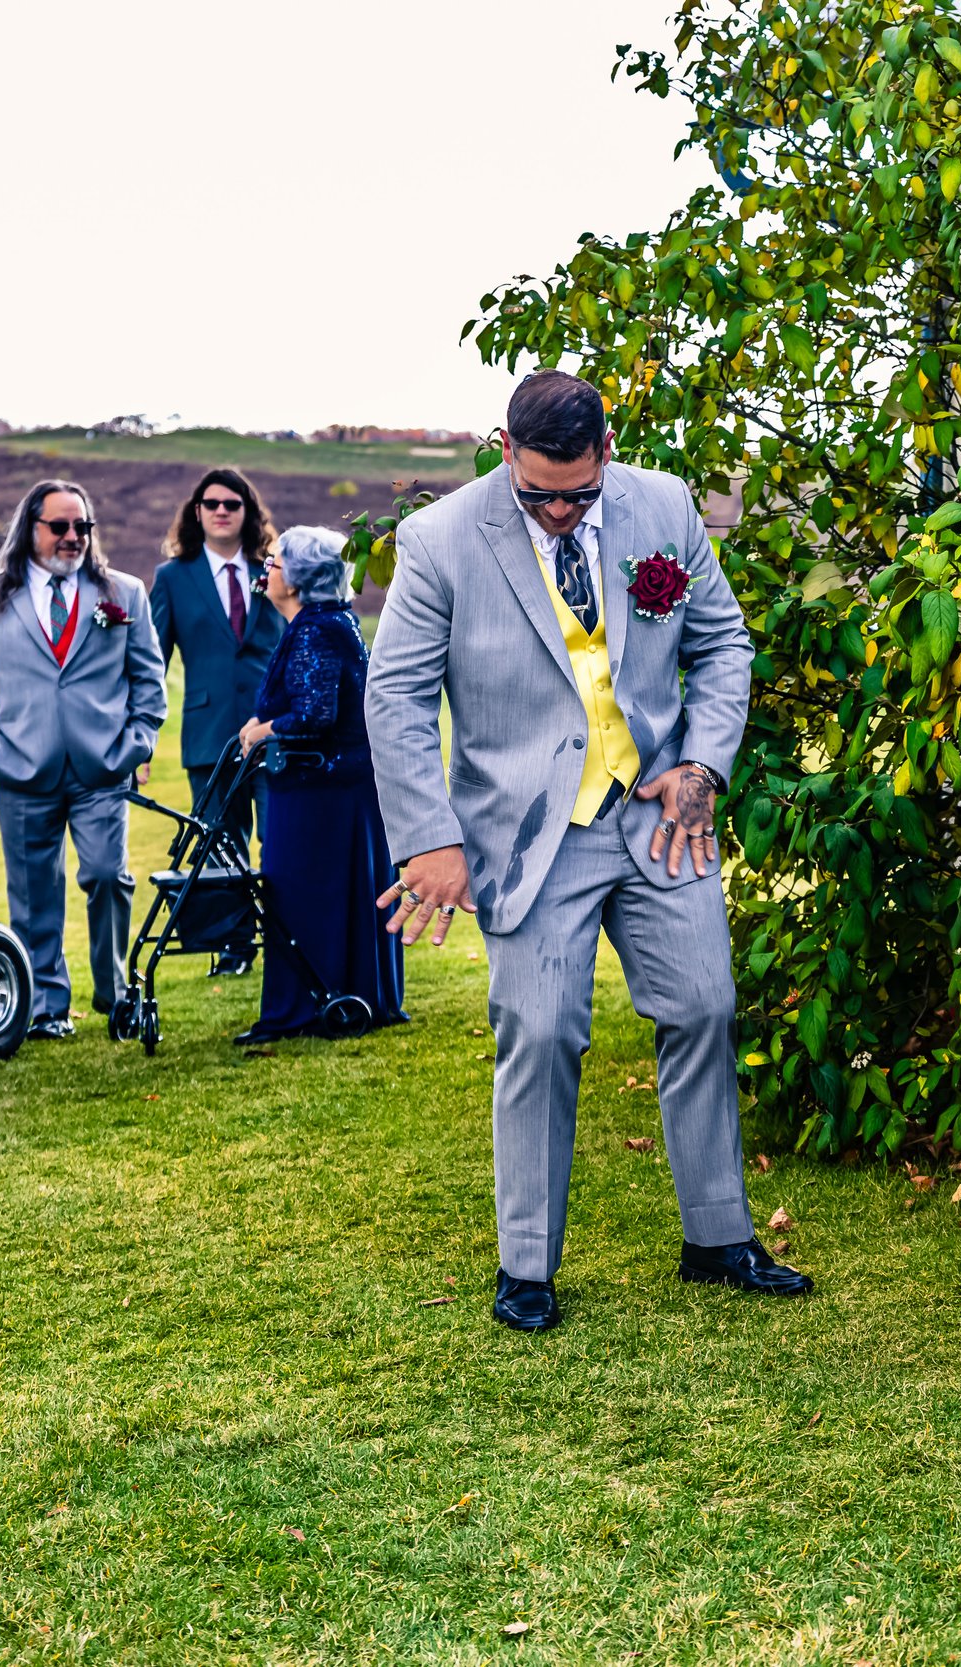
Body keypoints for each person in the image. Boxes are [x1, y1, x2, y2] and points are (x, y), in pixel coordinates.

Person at [364, 370, 805, 1333]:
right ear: (506, 452)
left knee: (704, 1004)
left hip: (655, 814)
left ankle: (719, 1236)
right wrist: (431, 839)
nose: (560, 511)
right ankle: (527, 1264)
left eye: (579, 492)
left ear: (607, 453)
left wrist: (701, 769)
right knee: (542, 1031)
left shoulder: (664, 503)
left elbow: (723, 644)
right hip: (527, 833)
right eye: (539, 495)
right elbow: (394, 696)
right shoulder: (439, 542)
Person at [0, 480, 167, 1040]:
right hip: (21, 771)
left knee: (106, 877)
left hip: (102, 768)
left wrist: (136, 743)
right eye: (61, 526)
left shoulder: (124, 593)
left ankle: (114, 993)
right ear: (31, 529)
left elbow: (149, 680)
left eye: (82, 527)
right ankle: (46, 1005)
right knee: (33, 893)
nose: (73, 537)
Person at [231, 526, 407, 1044]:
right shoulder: (329, 623)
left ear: (300, 577)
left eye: (276, 562)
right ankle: (345, 993)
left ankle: (307, 1005)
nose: (267, 570)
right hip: (337, 789)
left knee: (303, 894)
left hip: (320, 792)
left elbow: (315, 715)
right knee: (337, 894)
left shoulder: (316, 629)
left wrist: (264, 730)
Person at [152, 467, 284, 976]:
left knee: (279, 836)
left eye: (233, 503)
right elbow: (151, 664)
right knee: (219, 842)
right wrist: (140, 745)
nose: (223, 510)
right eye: (212, 503)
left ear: (248, 511)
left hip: (273, 730)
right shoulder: (172, 577)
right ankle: (234, 948)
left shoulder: (272, 568)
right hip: (207, 734)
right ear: (197, 512)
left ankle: (285, 935)